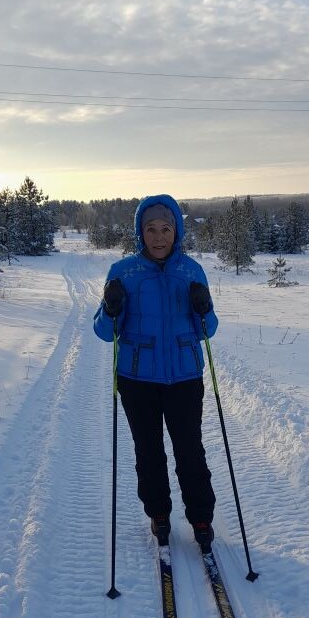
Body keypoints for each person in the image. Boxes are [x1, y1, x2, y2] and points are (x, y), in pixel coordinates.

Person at [93, 194, 218, 552]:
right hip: (137, 380)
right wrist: (110, 307)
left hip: (184, 378)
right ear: (140, 232)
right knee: (148, 451)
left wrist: (204, 308)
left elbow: (207, 330)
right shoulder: (123, 273)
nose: (159, 237)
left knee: (190, 450)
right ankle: (158, 513)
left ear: (176, 231)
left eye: (166, 229)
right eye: (151, 229)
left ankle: (201, 517)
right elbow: (104, 333)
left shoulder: (191, 270)